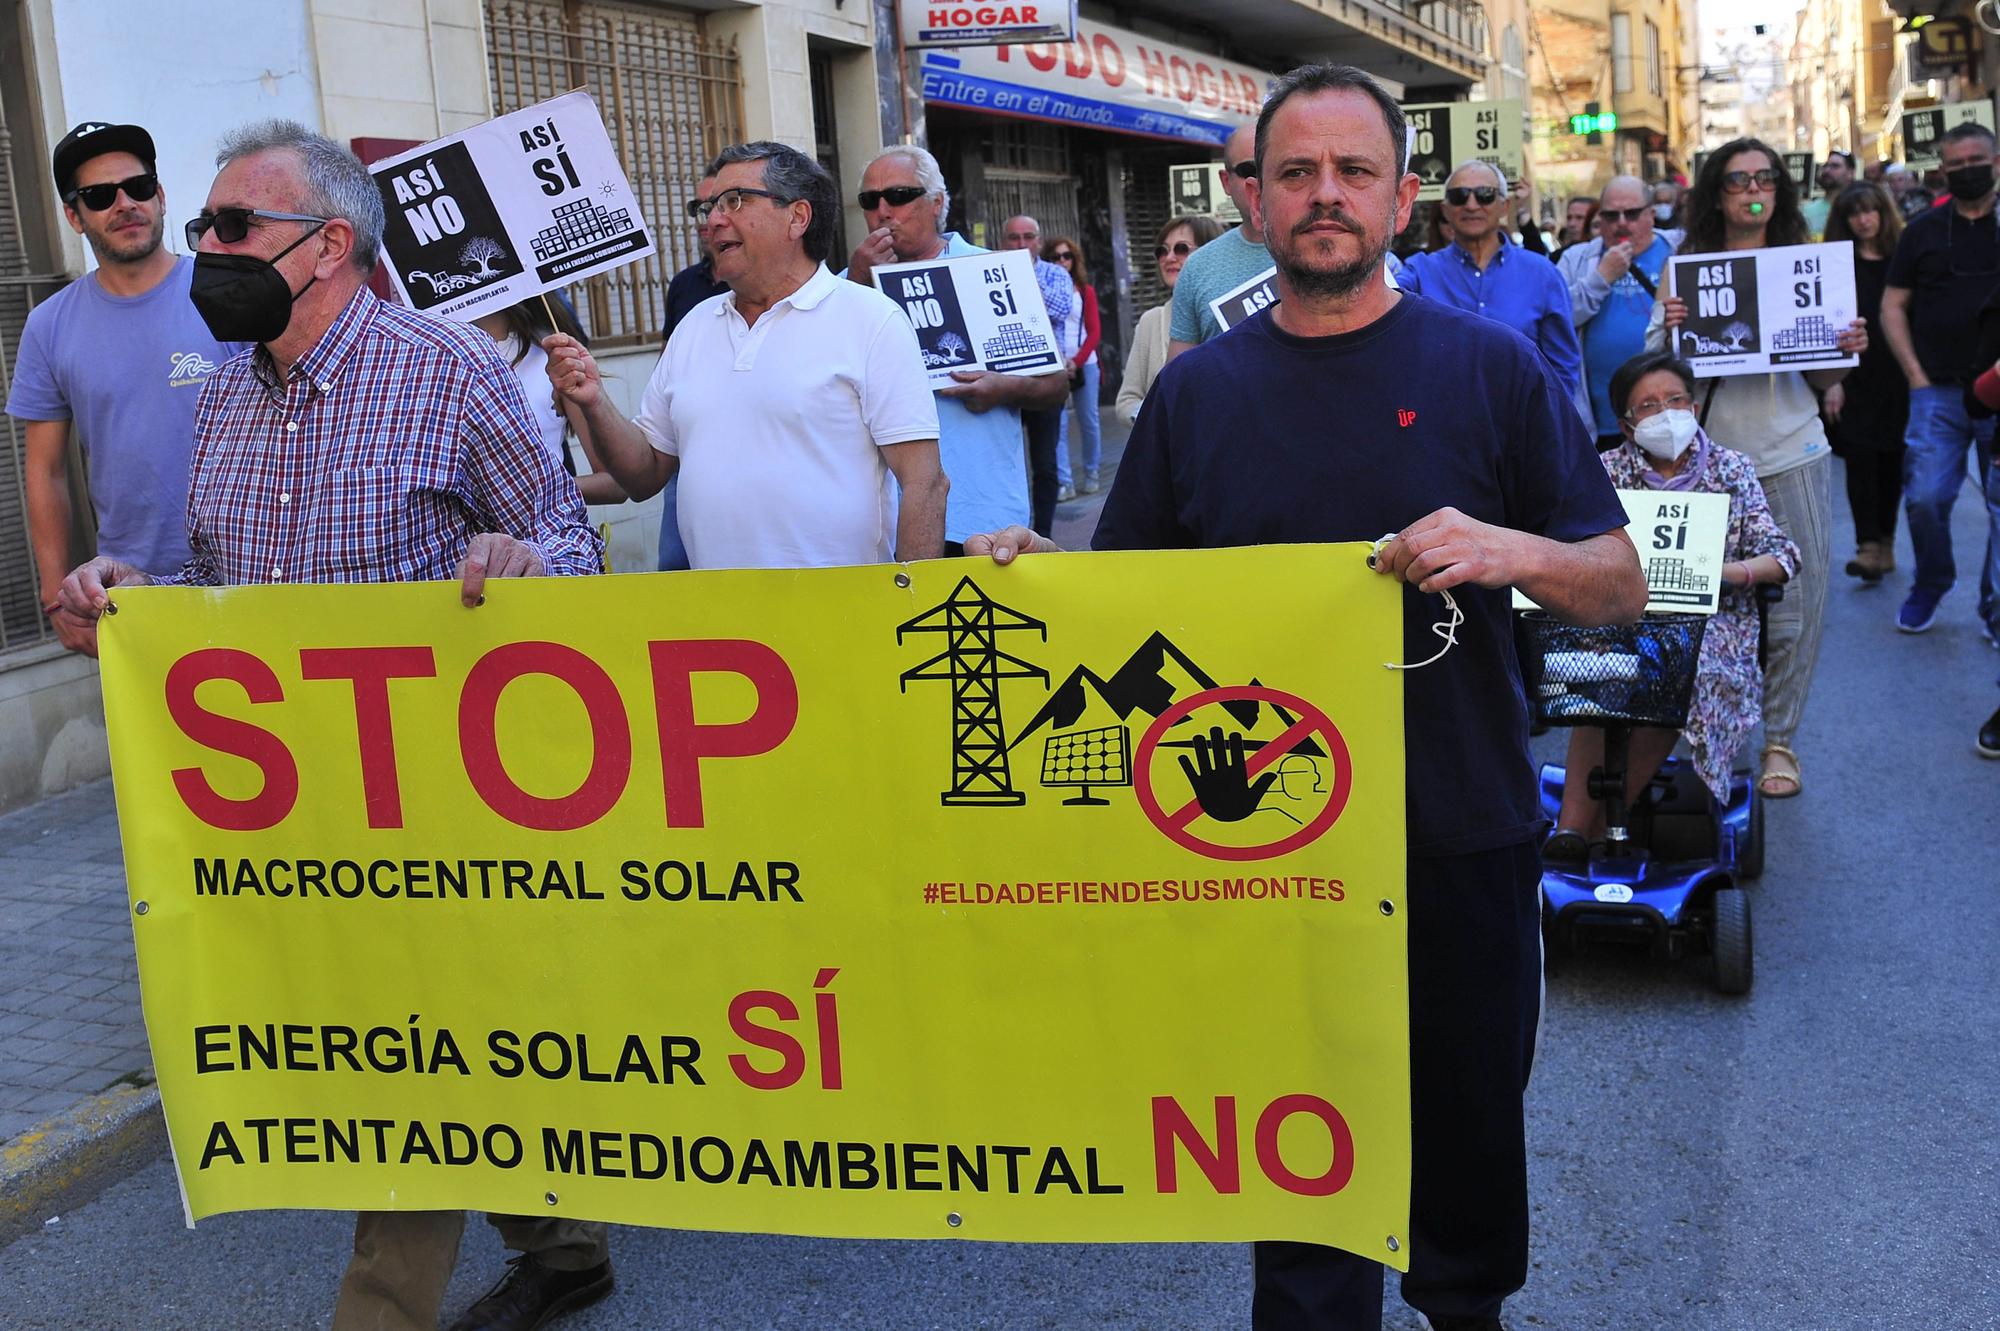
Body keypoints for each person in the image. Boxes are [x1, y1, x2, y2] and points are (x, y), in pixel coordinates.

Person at [968, 62, 1646, 1331]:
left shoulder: (1492, 371)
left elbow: (1615, 585)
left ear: (1403, 202)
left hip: (1456, 822)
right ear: (1254, 201)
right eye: (1294, 173)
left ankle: (1464, 1307)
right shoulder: (1195, 393)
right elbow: (1133, 622)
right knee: (1295, 1156)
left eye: (1352, 172)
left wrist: (1512, 552)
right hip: (1261, 843)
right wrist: (1041, 584)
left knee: (1463, 1128)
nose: (1322, 195)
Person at [54, 119, 606, 1331]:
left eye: (232, 227)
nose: (203, 248)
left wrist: (520, 559)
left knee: (412, 1046)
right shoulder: (224, 402)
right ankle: (562, 1242)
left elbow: (572, 545)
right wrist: (125, 595)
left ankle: (382, 1313)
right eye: (203, 226)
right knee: (400, 1035)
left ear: (329, 246)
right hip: (298, 808)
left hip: (441, 806)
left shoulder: (447, 368)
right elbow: (206, 588)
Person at [546, 141, 946, 569]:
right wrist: (593, 399)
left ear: (797, 217)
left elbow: (925, 483)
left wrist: (908, 608)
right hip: (721, 619)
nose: (714, 220)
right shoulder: (695, 326)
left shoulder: (872, 320)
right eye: (710, 207)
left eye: (734, 201)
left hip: (841, 618)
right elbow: (644, 476)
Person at [1650, 137, 1869, 801]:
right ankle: (1709, 729)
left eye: (1766, 178)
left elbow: (1824, 376)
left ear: (1779, 190)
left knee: (1797, 605)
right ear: (1717, 192)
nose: (1755, 189)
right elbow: (1656, 374)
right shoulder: (1686, 267)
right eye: (1740, 178)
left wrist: (1844, 349)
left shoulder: (1806, 265)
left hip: (1792, 451)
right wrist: (1673, 330)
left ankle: (1780, 738)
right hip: (1707, 463)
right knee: (1699, 602)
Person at [5, 120, 245, 656]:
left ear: (160, 196)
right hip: (128, 590)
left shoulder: (228, 291)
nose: (125, 204)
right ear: (74, 215)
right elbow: (44, 470)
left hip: (250, 572)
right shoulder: (49, 326)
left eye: (138, 188)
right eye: (99, 195)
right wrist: (54, 595)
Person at [1547, 351, 1801, 855]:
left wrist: (1726, 574)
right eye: (1648, 405)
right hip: (1618, 616)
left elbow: (1783, 555)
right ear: (1625, 423)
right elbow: (1569, 543)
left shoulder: (1731, 469)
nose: (1665, 413)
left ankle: (1602, 832)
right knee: (1601, 668)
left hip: (1709, 623)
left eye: (1675, 399)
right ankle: (1571, 831)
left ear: (1693, 403)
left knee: (1679, 669)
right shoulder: (1607, 470)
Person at [843, 144, 1067, 549]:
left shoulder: (990, 270)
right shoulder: (843, 287)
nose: (883, 210)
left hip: (979, 515)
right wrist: (857, 284)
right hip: (877, 520)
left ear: (936, 203)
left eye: (898, 196)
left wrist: (1004, 388)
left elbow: (1055, 386)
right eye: (869, 200)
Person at [1879, 121, 2000, 638]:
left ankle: (1996, 607)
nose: (1968, 169)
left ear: (1996, 163)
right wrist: (1916, 376)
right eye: (1957, 164)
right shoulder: (1922, 231)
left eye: (1977, 160)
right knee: (1926, 497)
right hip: (1939, 393)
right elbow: (1892, 305)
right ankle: (1931, 581)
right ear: (1943, 169)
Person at [1400, 160, 1585, 403]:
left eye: (1485, 195)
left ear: (1504, 206)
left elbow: (1562, 365)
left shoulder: (1542, 274)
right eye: (1460, 196)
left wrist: (1548, 425)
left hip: (1523, 430)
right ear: (1445, 210)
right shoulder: (1419, 271)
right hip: (1443, 428)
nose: (1472, 205)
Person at [1821, 182, 1910, 583]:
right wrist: (1832, 380)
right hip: (1854, 372)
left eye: (1870, 210)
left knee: (1892, 458)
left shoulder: (1902, 257)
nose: (1863, 219)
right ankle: (1867, 545)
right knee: (1860, 458)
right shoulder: (1837, 265)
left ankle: (1885, 541)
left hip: (1897, 371)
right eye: (1854, 212)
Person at [1559, 175, 1684, 446]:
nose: (1622, 223)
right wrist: (1600, 278)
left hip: (1672, 419)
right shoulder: (1576, 259)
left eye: (1632, 213)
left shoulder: (1680, 250)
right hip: (1601, 423)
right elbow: (1556, 319)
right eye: (1611, 215)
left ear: (1651, 214)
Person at [472, 297, 626, 507]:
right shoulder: (424, 364)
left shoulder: (555, 361)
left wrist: (537, 488)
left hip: (543, 533)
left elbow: (617, 483)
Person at [654, 171, 730, 572]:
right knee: (676, 567)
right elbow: (668, 364)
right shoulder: (685, 285)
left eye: (723, 204)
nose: (710, 218)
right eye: (701, 208)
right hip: (683, 456)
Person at [1167, 122, 1272, 357]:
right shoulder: (1197, 268)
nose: (1263, 181)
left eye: (1279, 166)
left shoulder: (1329, 248)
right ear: (1226, 182)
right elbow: (1178, 375)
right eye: (1251, 169)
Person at [1000, 213, 1079, 512]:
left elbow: (1060, 308)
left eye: (1028, 237)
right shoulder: (989, 274)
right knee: (1005, 460)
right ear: (1003, 241)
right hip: (1004, 382)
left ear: (1039, 241)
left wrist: (1022, 276)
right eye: (1014, 237)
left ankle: (1044, 532)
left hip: (1046, 381)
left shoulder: (1056, 274)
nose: (1021, 243)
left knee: (1046, 464)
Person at [1117, 214, 1225, 425]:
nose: (1169, 257)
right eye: (1162, 251)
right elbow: (1126, 401)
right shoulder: (1151, 320)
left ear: (1210, 253)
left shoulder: (1233, 311)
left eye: (1181, 249)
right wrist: (1156, 419)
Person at [1044, 234, 1103, 494]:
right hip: (1055, 365)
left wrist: (1076, 361)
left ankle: (1092, 473)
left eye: (1066, 256)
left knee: (1089, 420)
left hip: (1084, 363)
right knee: (1059, 424)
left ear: (1074, 259)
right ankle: (1064, 482)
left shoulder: (1085, 290)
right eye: (1055, 257)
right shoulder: (1043, 288)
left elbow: (1095, 332)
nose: (1062, 261)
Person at [1800, 150, 1855, 240]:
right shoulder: (1806, 211)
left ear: (1851, 173)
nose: (1827, 170)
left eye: (1835, 166)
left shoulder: (1859, 209)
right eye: (1826, 166)